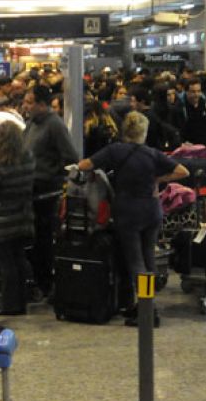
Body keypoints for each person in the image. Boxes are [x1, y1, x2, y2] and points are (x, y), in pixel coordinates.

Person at [78, 112, 188, 322]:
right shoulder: (152, 153)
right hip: (152, 209)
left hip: (128, 210)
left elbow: (85, 165)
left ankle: (145, 311)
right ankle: (148, 304)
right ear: (144, 133)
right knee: (149, 259)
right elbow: (182, 171)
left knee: (135, 261)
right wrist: (157, 179)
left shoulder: (115, 150)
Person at [24, 84, 78, 300]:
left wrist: (53, 175)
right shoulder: (30, 124)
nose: (25, 106)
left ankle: (45, 283)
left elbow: (71, 157)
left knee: (43, 239)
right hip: (29, 189)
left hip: (46, 192)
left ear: (42, 104)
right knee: (32, 238)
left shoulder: (55, 125)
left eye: (29, 102)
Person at [0, 121, 36, 315]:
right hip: (23, 217)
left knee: (6, 265)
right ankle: (21, 301)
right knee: (19, 260)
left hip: (2, 221)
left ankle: (9, 305)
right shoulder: (28, 158)